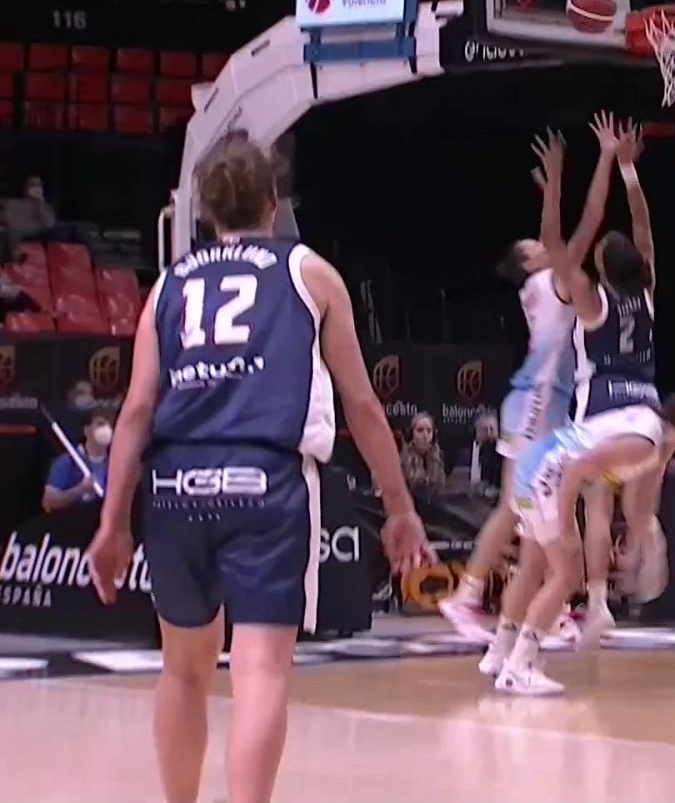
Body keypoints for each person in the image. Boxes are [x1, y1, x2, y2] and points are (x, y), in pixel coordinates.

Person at [84, 134, 433, 803]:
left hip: (176, 481)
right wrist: (398, 506)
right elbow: (360, 401)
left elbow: (134, 413)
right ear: (274, 202)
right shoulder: (310, 273)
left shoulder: (169, 286)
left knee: (182, 673)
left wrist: (111, 522)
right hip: (264, 479)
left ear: (206, 212)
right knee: (261, 671)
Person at [437, 114, 616, 645]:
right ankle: (466, 596)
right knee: (519, 506)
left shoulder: (545, 280)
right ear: (529, 262)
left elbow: (560, 233)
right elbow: (583, 223)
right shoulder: (551, 280)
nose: (542, 245)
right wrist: (576, 173)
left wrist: (557, 185)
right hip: (536, 401)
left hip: (547, 403)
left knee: (542, 512)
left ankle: (549, 609)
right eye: (534, 246)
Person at [497, 386, 675, 695]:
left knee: (538, 569)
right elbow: (577, 469)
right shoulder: (644, 442)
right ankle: (518, 667)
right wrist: (564, 526)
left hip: (536, 468)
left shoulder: (654, 430)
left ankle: (503, 656)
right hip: (543, 474)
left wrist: (648, 542)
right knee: (567, 575)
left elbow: (636, 506)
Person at [563, 120, 674, 641]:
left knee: (596, 505)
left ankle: (600, 601)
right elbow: (644, 229)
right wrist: (629, 169)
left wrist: (604, 160)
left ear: (602, 269)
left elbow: (577, 245)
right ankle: (647, 529)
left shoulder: (592, 301)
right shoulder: (647, 291)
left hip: (603, 410)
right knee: (634, 503)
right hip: (648, 413)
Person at [41, 407, 115, 512]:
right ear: (87, 430)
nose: (107, 429)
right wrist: (80, 489)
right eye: (101, 424)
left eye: (110, 425)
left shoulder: (116, 463)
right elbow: (48, 501)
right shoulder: (67, 462)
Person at [401, 412, 447, 493]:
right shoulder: (402, 459)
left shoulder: (437, 456)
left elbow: (441, 486)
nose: (425, 436)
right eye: (420, 430)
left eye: (429, 431)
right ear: (411, 435)